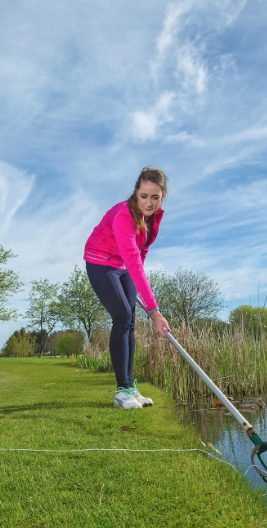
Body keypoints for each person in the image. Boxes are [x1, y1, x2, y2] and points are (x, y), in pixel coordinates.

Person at [83, 167, 171, 410]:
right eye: (144, 196)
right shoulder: (124, 215)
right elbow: (134, 262)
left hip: (123, 265)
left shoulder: (154, 218)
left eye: (155, 197)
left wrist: (137, 284)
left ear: (162, 196)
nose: (149, 203)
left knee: (130, 321)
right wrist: (155, 312)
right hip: (100, 262)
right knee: (122, 316)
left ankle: (131, 387)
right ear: (135, 191)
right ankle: (122, 391)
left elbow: (141, 252)